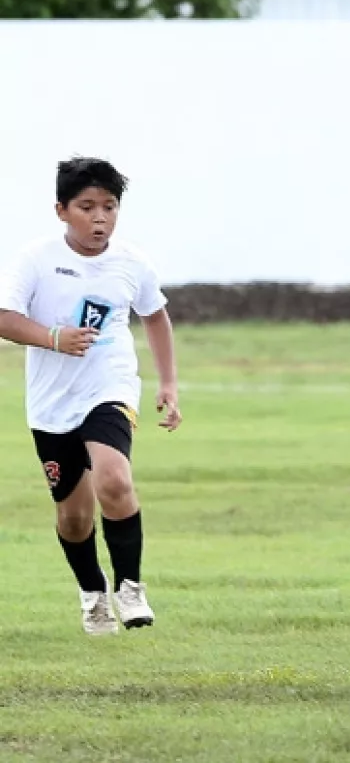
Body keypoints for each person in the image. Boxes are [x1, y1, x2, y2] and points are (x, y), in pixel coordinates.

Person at [0, 158, 181, 635]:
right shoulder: (35, 260)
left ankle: (131, 588)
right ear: (62, 210)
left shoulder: (131, 262)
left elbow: (156, 316)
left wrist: (168, 383)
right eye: (87, 207)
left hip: (110, 387)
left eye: (109, 206)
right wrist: (54, 338)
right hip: (51, 403)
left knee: (115, 479)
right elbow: (4, 317)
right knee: (74, 516)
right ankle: (92, 592)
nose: (100, 218)